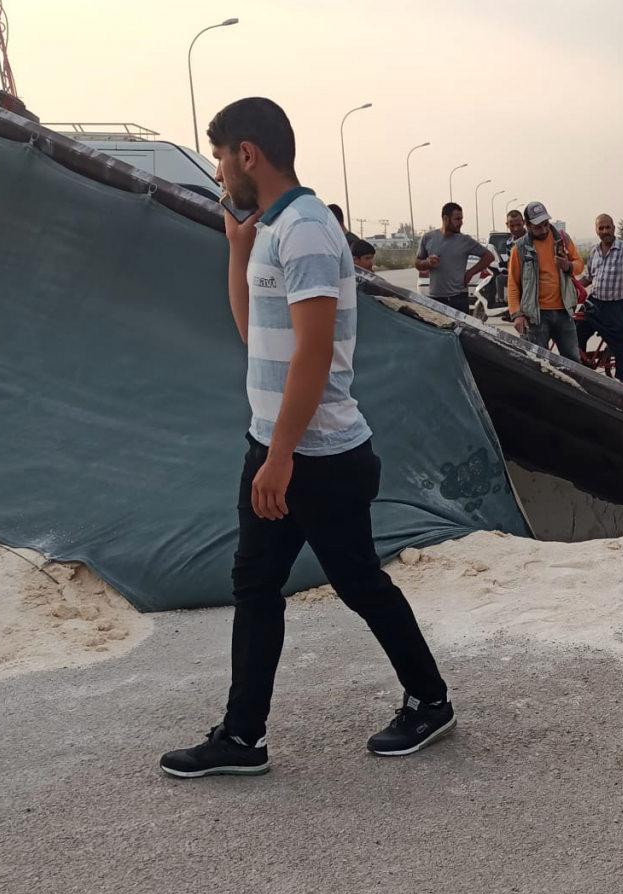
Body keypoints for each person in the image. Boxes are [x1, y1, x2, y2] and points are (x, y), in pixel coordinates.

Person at [159, 97, 455, 779]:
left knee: (356, 582)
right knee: (256, 584)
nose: (219, 172)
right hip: (275, 446)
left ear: (248, 154)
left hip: (317, 456)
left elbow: (314, 354)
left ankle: (430, 699)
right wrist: (236, 252)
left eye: (220, 157)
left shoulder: (310, 232)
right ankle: (242, 737)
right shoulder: (270, 230)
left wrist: (283, 456)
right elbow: (254, 334)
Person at [507, 201, 583, 362]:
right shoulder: (519, 249)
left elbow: (579, 265)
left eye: (546, 224)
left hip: (564, 312)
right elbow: (513, 284)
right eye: (538, 226)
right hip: (536, 317)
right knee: (538, 364)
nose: (543, 229)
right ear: (527, 225)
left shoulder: (562, 239)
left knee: (573, 363)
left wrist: (568, 265)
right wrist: (517, 315)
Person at [577, 213, 623, 382]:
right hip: (595, 303)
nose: (605, 231)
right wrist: (573, 286)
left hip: (617, 306)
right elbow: (588, 277)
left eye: (608, 227)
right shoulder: (594, 251)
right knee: (576, 333)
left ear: (614, 228)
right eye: (601, 228)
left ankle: (621, 387)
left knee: (620, 348)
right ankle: (583, 371)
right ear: (597, 231)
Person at [416, 202, 494, 314]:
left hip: (458, 299)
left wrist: (470, 273)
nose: (461, 223)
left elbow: (488, 257)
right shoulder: (428, 238)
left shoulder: (465, 240)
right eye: (457, 219)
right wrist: (427, 263)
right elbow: (417, 263)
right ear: (445, 218)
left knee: (460, 331)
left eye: (461, 219)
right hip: (436, 298)